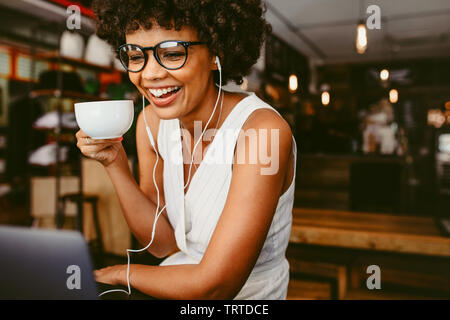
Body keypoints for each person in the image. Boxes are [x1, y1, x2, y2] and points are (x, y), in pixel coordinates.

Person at [76, 0, 297, 299]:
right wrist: (114, 163)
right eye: (135, 56)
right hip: (175, 282)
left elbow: (215, 288)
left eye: (172, 53)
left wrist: (120, 272)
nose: (150, 74)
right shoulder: (150, 124)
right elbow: (161, 244)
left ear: (215, 52)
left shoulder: (262, 133)